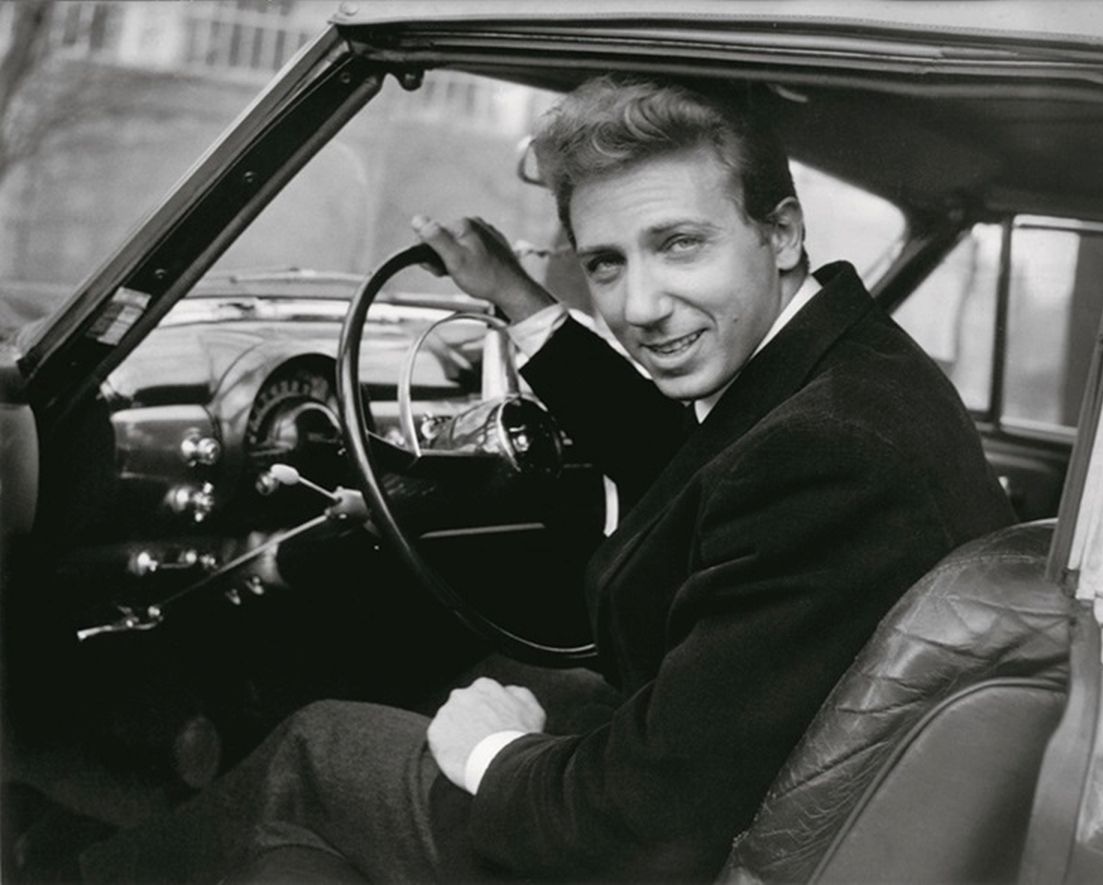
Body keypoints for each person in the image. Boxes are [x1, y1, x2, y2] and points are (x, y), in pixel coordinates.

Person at [81, 75, 1015, 882]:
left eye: (680, 244)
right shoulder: (839, 370)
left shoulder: (827, 456)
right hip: (760, 774)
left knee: (314, 751)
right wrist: (519, 300)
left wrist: (492, 754)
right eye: (606, 262)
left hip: (691, 843)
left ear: (781, 233)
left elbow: (646, 826)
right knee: (511, 672)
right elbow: (685, 462)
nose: (639, 306)